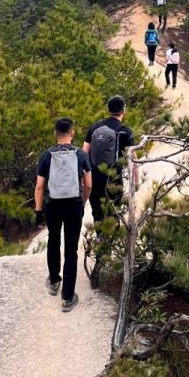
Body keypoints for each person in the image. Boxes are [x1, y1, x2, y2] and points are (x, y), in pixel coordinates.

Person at [34, 118, 91, 312]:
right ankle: (67, 297)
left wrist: (38, 210)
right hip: (73, 205)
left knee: (53, 240)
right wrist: (83, 202)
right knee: (71, 250)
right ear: (72, 133)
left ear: (55, 133)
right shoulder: (81, 155)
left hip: (54, 205)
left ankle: (54, 280)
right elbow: (89, 184)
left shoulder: (46, 155)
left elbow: (40, 186)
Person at [83, 95, 135, 223]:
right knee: (114, 212)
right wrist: (137, 181)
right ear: (124, 110)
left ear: (108, 109)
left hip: (94, 179)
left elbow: (84, 153)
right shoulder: (125, 131)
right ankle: (111, 240)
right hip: (114, 180)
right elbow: (133, 159)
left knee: (97, 213)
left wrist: (83, 179)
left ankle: (100, 239)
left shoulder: (95, 127)